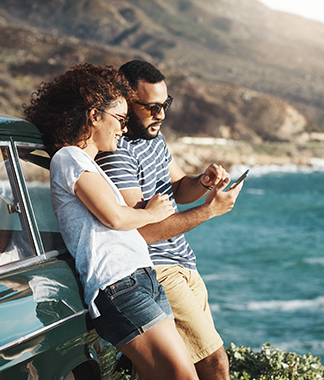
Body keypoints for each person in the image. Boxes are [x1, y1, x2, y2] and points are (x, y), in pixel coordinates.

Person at [23, 63, 199, 380]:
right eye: (119, 119)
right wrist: (152, 213)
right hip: (118, 286)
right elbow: (115, 218)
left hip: (141, 278)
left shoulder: (87, 163)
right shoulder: (68, 157)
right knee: (182, 376)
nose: (123, 127)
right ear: (94, 116)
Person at [96, 60, 244, 380]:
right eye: (151, 107)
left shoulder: (154, 140)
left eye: (165, 104)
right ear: (124, 100)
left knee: (167, 371)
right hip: (157, 268)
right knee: (214, 364)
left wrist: (203, 182)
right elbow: (142, 232)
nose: (161, 114)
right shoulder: (116, 153)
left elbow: (178, 188)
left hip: (184, 263)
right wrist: (209, 211)